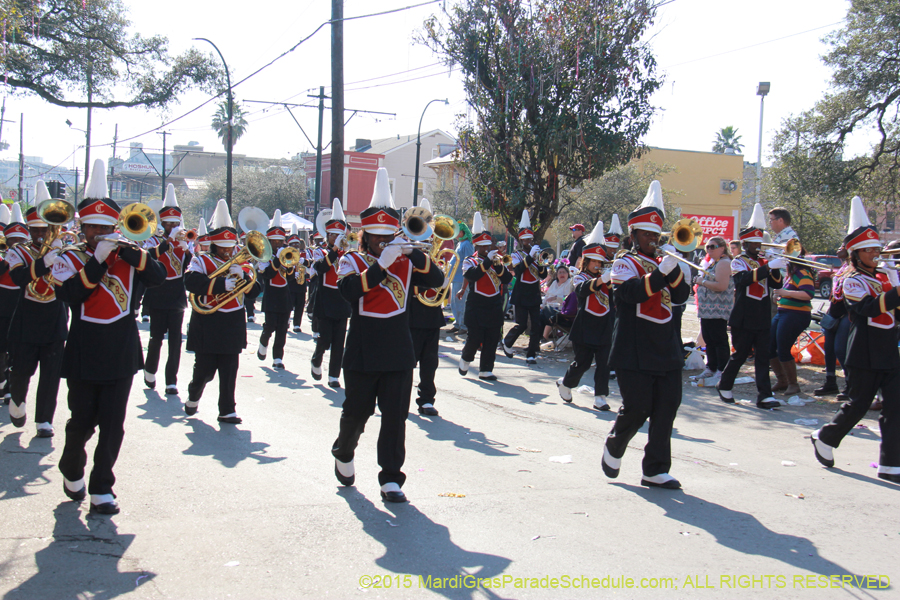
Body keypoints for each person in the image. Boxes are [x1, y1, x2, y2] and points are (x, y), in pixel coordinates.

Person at [53, 159, 165, 514]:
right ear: (82, 227)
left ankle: (103, 486)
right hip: (84, 348)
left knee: (113, 426)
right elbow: (70, 296)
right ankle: (72, 466)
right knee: (81, 421)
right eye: (92, 229)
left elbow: (159, 277)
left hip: (120, 348)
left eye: (105, 228)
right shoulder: (69, 257)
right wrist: (97, 261)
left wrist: (131, 251)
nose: (98, 235)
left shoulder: (132, 257)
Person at [331, 167, 444, 503]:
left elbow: (436, 280)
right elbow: (350, 291)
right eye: (376, 237)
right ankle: (344, 449)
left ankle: (391, 478)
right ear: (364, 236)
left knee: (395, 418)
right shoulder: (351, 259)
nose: (382, 242)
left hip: (398, 351)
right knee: (356, 413)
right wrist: (381, 265)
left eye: (387, 236)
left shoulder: (407, 260)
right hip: (362, 351)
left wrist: (414, 253)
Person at [603, 181, 690, 489]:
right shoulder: (623, 262)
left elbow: (681, 296)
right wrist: (660, 273)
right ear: (634, 235)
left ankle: (654, 469)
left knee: (667, 408)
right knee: (638, 408)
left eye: (657, 234)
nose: (653, 239)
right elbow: (630, 294)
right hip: (634, 346)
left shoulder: (664, 262)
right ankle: (616, 442)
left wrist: (674, 268)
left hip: (666, 345)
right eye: (647, 234)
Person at [812, 196, 900, 484]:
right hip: (863, 350)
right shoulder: (851, 280)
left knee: (896, 406)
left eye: (877, 248)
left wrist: (895, 282)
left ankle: (890, 463)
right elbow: (868, 310)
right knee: (858, 405)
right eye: (870, 249)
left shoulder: (885, 276)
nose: (876, 253)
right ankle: (825, 437)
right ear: (856, 253)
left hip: (888, 349)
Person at [5, 185, 69, 438]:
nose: (42, 235)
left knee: (51, 375)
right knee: (21, 371)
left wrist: (61, 256)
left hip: (54, 317)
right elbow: (20, 277)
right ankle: (17, 401)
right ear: (29, 230)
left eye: (46, 230)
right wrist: (44, 262)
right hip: (26, 319)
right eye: (37, 230)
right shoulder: (16, 251)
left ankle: (44, 420)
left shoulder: (63, 251)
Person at [183, 199, 251, 424]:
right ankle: (194, 394)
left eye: (230, 247)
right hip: (208, 321)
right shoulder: (200, 260)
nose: (227, 251)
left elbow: (255, 290)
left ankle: (227, 410)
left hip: (232, 321)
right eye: (222, 247)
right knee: (205, 370)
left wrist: (243, 277)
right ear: (213, 246)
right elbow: (191, 282)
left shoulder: (241, 264)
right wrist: (222, 285)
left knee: (230, 369)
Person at [715, 204, 785, 409]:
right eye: (754, 243)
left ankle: (765, 395)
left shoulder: (764, 261)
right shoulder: (738, 261)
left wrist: (775, 267)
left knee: (763, 357)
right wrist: (767, 267)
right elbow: (743, 281)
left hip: (762, 315)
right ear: (745, 244)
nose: (758, 246)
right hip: (744, 316)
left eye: (760, 242)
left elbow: (776, 285)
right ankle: (725, 384)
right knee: (740, 355)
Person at [557, 220, 614, 411]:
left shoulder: (609, 279)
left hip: (605, 325)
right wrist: (601, 280)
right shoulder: (580, 277)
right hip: (585, 326)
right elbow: (581, 291)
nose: (598, 265)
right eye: (594, 261)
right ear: (587, 262)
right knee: (582, 363)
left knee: (604, 363)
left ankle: (600, 396)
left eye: (600, 262)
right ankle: (566, 383)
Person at [142, 185, 191, 395]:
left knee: (175, 340)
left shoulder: (184, 240)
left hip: (177, 295)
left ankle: (171, 380)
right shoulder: (153, 240)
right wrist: (167, 241)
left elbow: (186, 267)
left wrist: (188, 250)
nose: (172, 227)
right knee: (156, 338)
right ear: (162, 223)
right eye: (169, 223)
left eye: (175, 223)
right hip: (157, 292)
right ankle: (150, 369)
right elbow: (148, 257)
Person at [458, 212, 512, 381]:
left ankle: (486, 369)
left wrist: (498, 266)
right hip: (477, 304)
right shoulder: (470, 260)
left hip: (494, 303)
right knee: (474, 338)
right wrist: (487, 262)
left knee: (492, 338)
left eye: (487, 246)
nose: (486, 249)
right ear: (476, 247)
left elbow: (508, 279)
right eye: (482, 247)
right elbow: (472, 276)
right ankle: (466, 358)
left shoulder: (497, 261)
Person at [408, 199, 447, 417]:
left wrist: (443, 282)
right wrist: (431, 280)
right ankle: (399, 396)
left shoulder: (437, 262)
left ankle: (426, 400)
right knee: (406, 361)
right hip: (411, 316)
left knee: (430, 363)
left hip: (432, 317)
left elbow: (445, 293)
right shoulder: (407, 257)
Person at [311, 199, 351, 387]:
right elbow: (321, 268)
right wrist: (335, 250)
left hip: (342, 300)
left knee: (338, 342)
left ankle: (333, 376)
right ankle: (316, 359)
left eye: (339, 236)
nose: (337, 239)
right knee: (325, 339)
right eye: (333, 236)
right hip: (325, 299)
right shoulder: (320, 252)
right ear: (327, 236)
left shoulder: (349, 254)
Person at [502, 210, 549, 365]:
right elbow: (518, 270)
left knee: (536, 324)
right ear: (521, 241)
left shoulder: (538, 254)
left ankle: (532, 353)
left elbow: (542, 275)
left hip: (534, 292)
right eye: (525, 239)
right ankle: (507, 342)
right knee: (521, 324)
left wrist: (541, 261)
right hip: (521, 292)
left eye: (530, 238)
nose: (528, 241)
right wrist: (530, 257)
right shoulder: (516, 255)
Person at [770, 249, 815, 396]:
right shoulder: (792, 275)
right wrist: (779, 297)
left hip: (796, 314)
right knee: (769, 346)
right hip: (783, 312)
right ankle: (782, 380)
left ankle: (793, 384)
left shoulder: (802, 273)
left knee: (783, 348)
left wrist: (786, 293)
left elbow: (808, 294)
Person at [693, 236, 734, 386]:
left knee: (718, 339)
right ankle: (711, 366)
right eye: (708, 247)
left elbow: (721, 286)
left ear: (722, 248)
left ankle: (721, 370)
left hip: (718, 308)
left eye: (713, 246)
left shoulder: (724, 263)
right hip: (708, 309)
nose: (709, 249)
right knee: (709, 339)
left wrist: (701, 281)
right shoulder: (714, 262)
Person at [256, 210, 292, 369]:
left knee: (283, 329)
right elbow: (267, 275)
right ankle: (263, 342)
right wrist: (277, 260)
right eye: (274, 241)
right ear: (269, 241)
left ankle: (278, 358)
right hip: (271, 296)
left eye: (280, 241)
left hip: (284, 296)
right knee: (270, 326)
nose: (278, 244)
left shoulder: (287, 253)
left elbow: (290, 277)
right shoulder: (263, 255)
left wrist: (289, 266)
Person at [815, 246, 851, 397]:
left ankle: (851, 384)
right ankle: (830, 382)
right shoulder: (843, 267)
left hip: (846, 314)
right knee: (828, 348)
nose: (839, 248)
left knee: (840, 350)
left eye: (843, 246)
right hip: (834, 312)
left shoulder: (855, 268)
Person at [0, 203, 25, 405]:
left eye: (20, 240)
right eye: (12, 240)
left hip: (21, 304)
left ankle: (10, 387)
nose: (16, 243)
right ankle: (2, 382)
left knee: (16, 350)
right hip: (2, 304)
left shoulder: (30, 256)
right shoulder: (3, 256)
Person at [450, 222, 474, 334]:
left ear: (462, 232)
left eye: (456, 231)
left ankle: (463, 326)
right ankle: (457, 323)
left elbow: (469, 262)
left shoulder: (467, 244)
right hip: (455, 277)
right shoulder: (460, 244)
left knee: (462, 303)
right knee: (455, 303)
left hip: (461, 279)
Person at [540, 264, 574, 339]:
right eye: (560, 272)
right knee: (539, 313)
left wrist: (556, 297)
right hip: (548, 307)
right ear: (557, 275)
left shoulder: (569, 283)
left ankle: (543, 337)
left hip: (560, 309)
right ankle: (540, 337)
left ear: (567, 274)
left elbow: (568, 298)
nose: (562, 274)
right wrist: (542, 305)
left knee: (545, 313)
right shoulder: (554, 283)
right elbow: (547, 296)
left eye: (564, 272)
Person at [286, 224, 308, 333]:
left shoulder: (304, 254)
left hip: (301, 283)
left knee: (300, 305)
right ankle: (286, 321)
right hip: (290, 283)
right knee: (288, 304)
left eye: (297, 244)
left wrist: (305, 262)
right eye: (293, 244)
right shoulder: (286, 255)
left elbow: (311, 264)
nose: (295, 246)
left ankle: (296, 324)